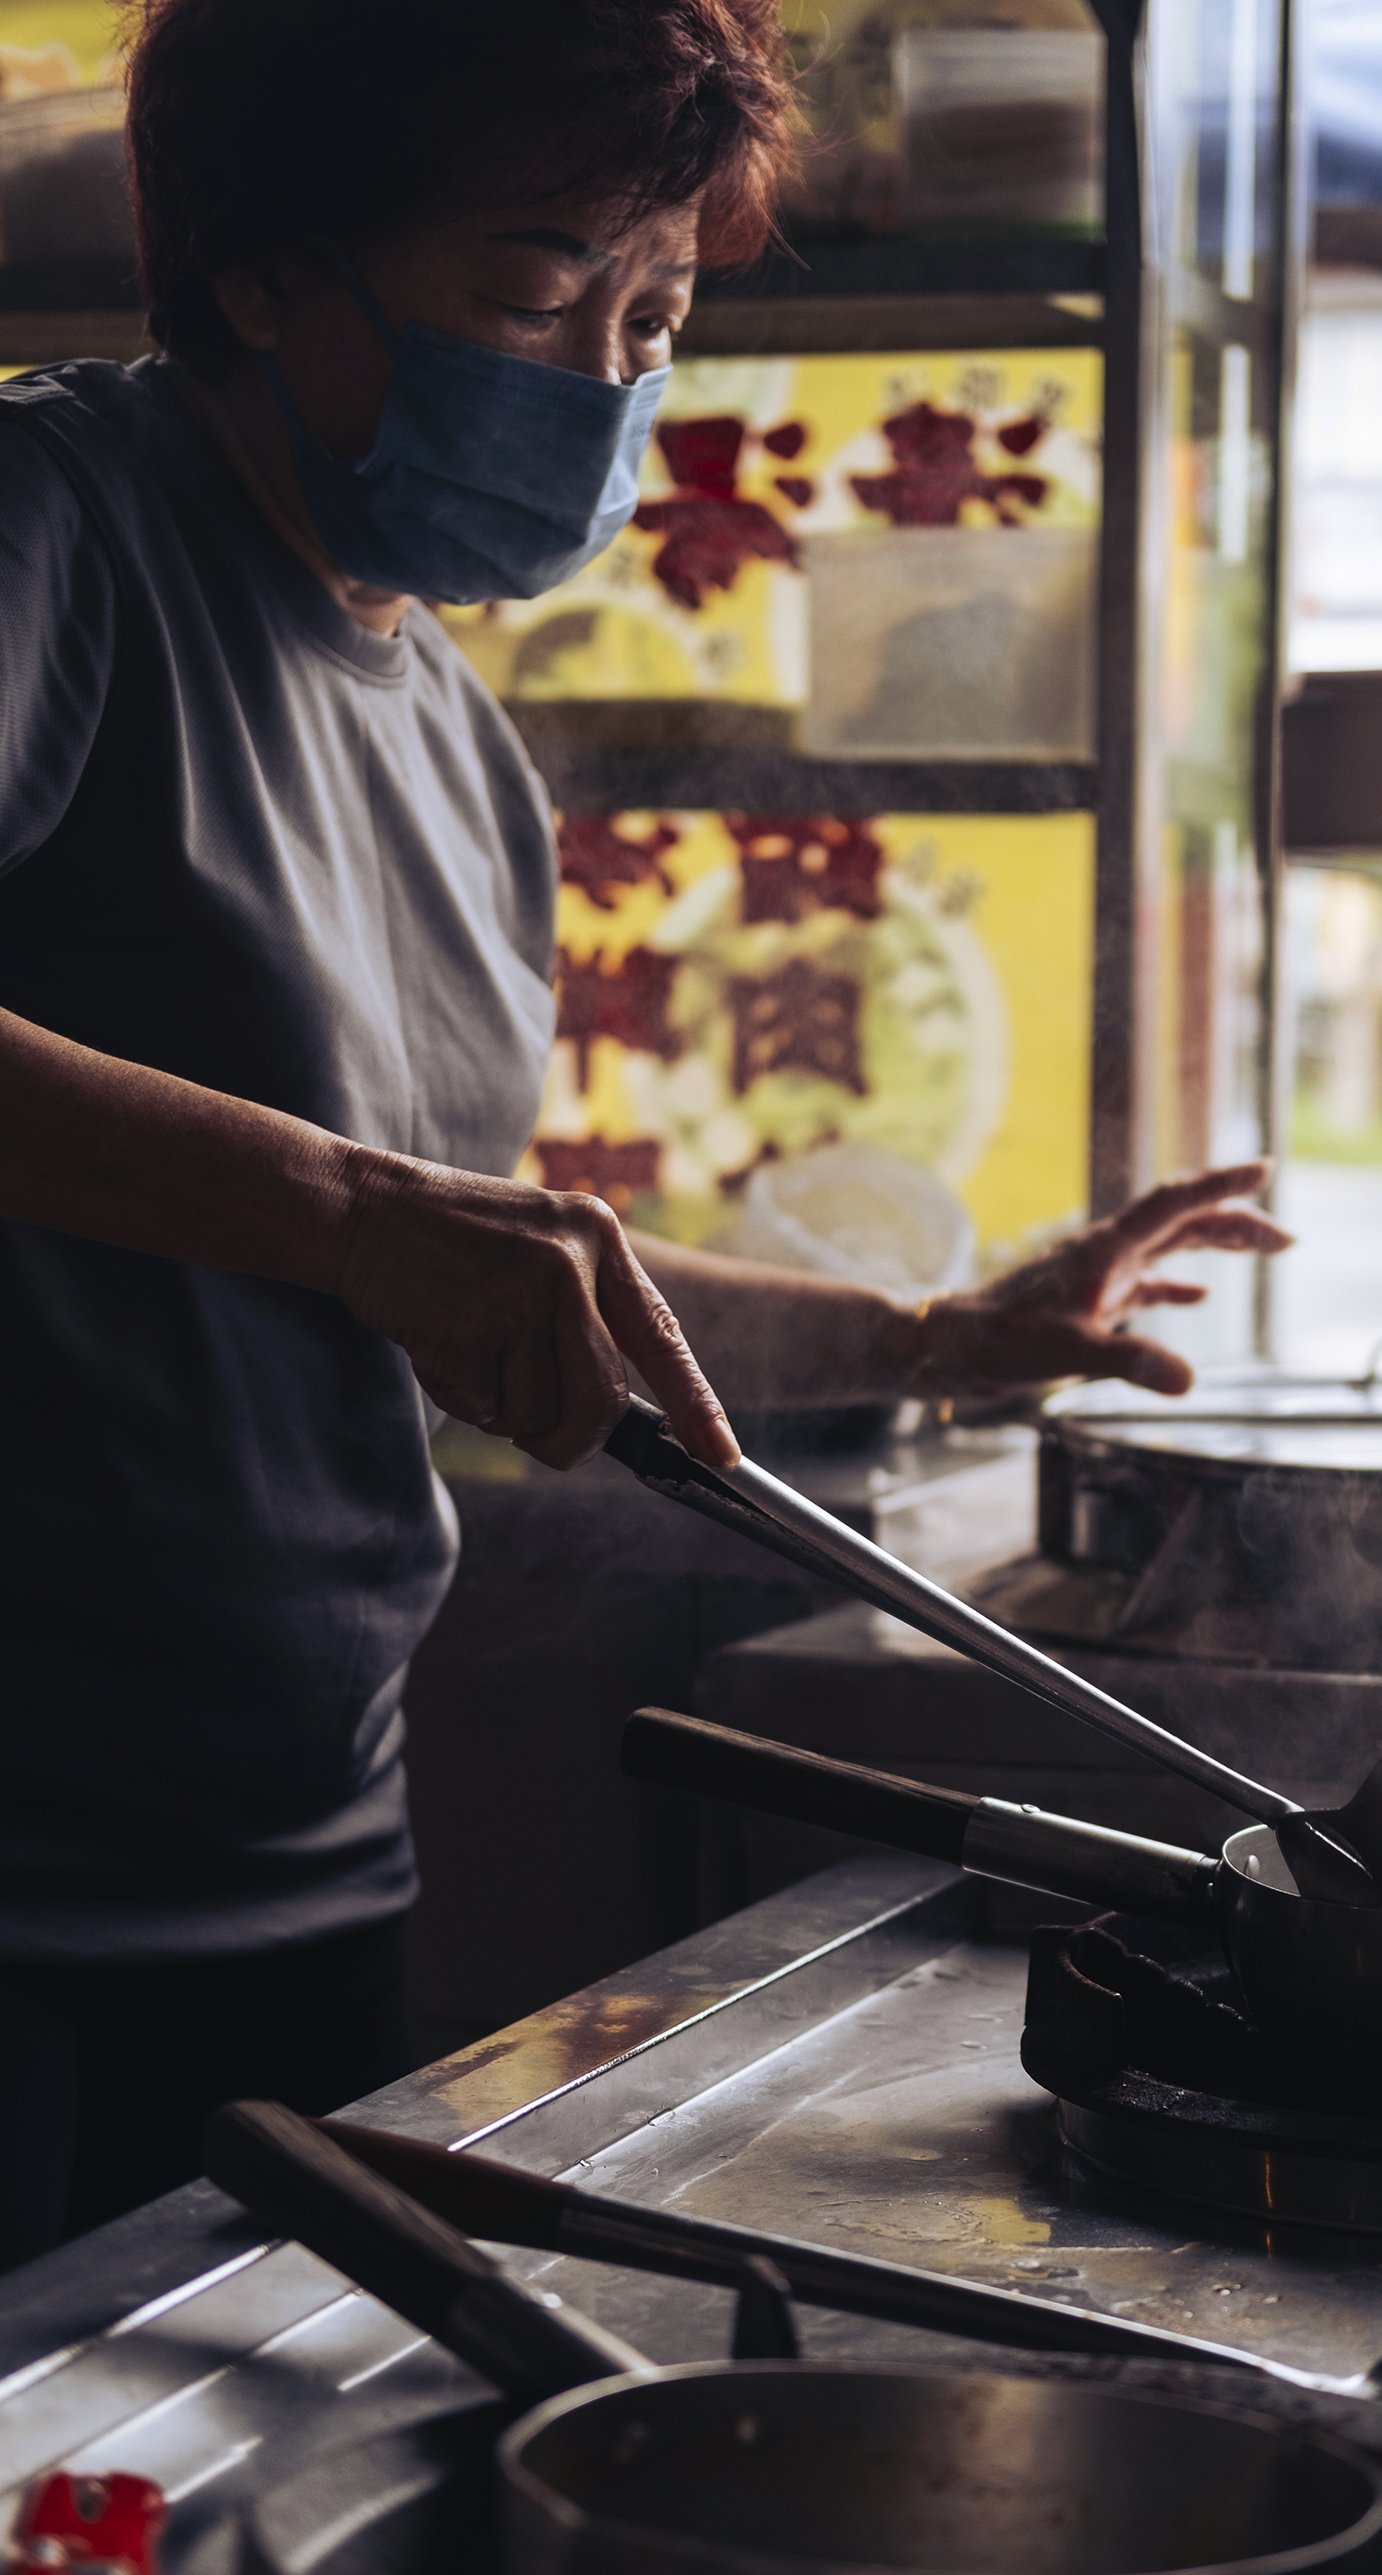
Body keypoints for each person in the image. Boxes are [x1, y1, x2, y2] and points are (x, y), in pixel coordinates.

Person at [0, 0, 1288, 2264]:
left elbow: (485, 1251)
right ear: (259, 268)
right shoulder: (57, 526)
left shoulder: (454, 745)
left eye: (654, 311)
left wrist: (939, 1336)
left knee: (169, 2539)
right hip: (22, 1873)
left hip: (294, 1843)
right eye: (527, 292)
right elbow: (379, 1215)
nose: (598, 374)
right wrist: (362, 1205)